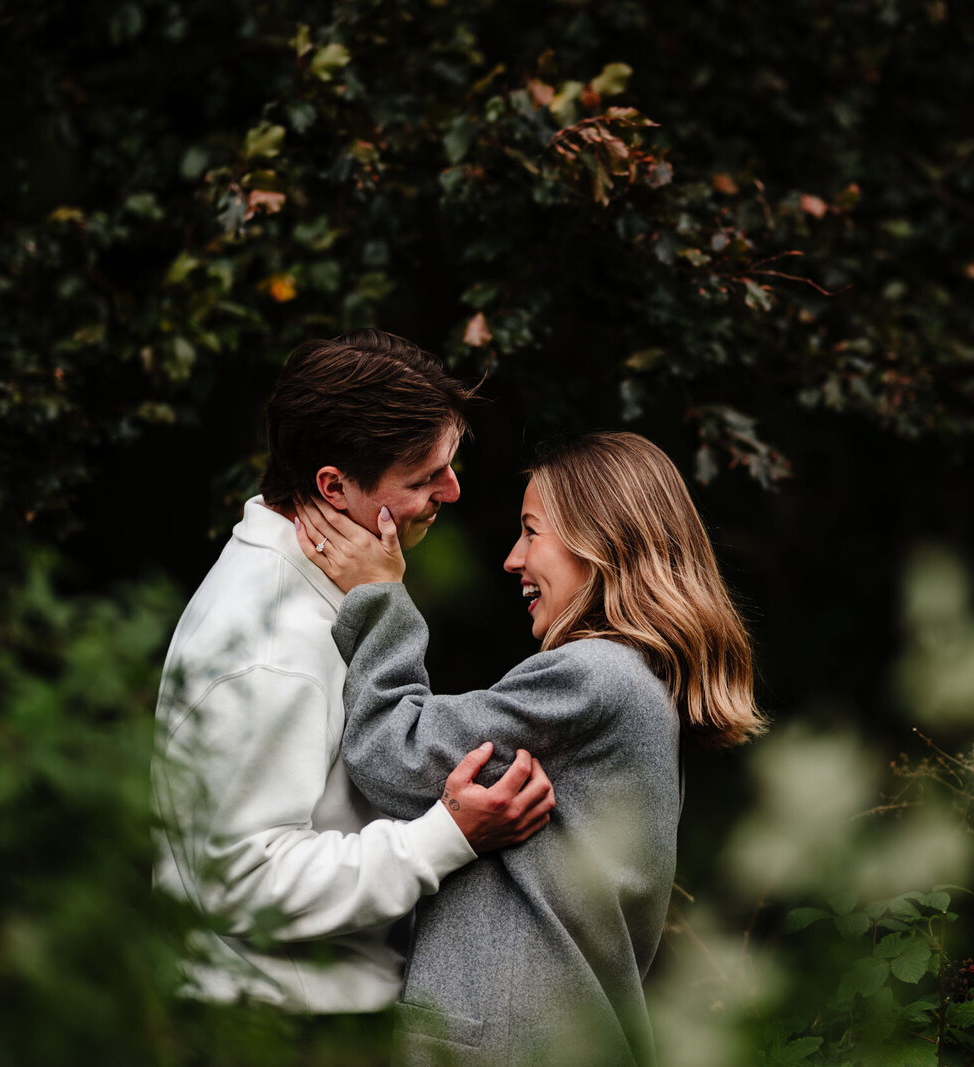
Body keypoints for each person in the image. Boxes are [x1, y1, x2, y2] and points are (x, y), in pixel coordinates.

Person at [296, 430, 766, 1065]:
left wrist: (379, 599)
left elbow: (393, 750)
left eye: (532, 531)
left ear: (602, 543)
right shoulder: (640, 684)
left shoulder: (595, 677)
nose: (513, 559)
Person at [151, 330, 555, 1021]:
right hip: (271, 1023)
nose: (451, 491)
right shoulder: (273, 640)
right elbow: (240, 879)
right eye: (426, 476)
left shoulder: (325, 588)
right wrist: (446, 835)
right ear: (334, 486)